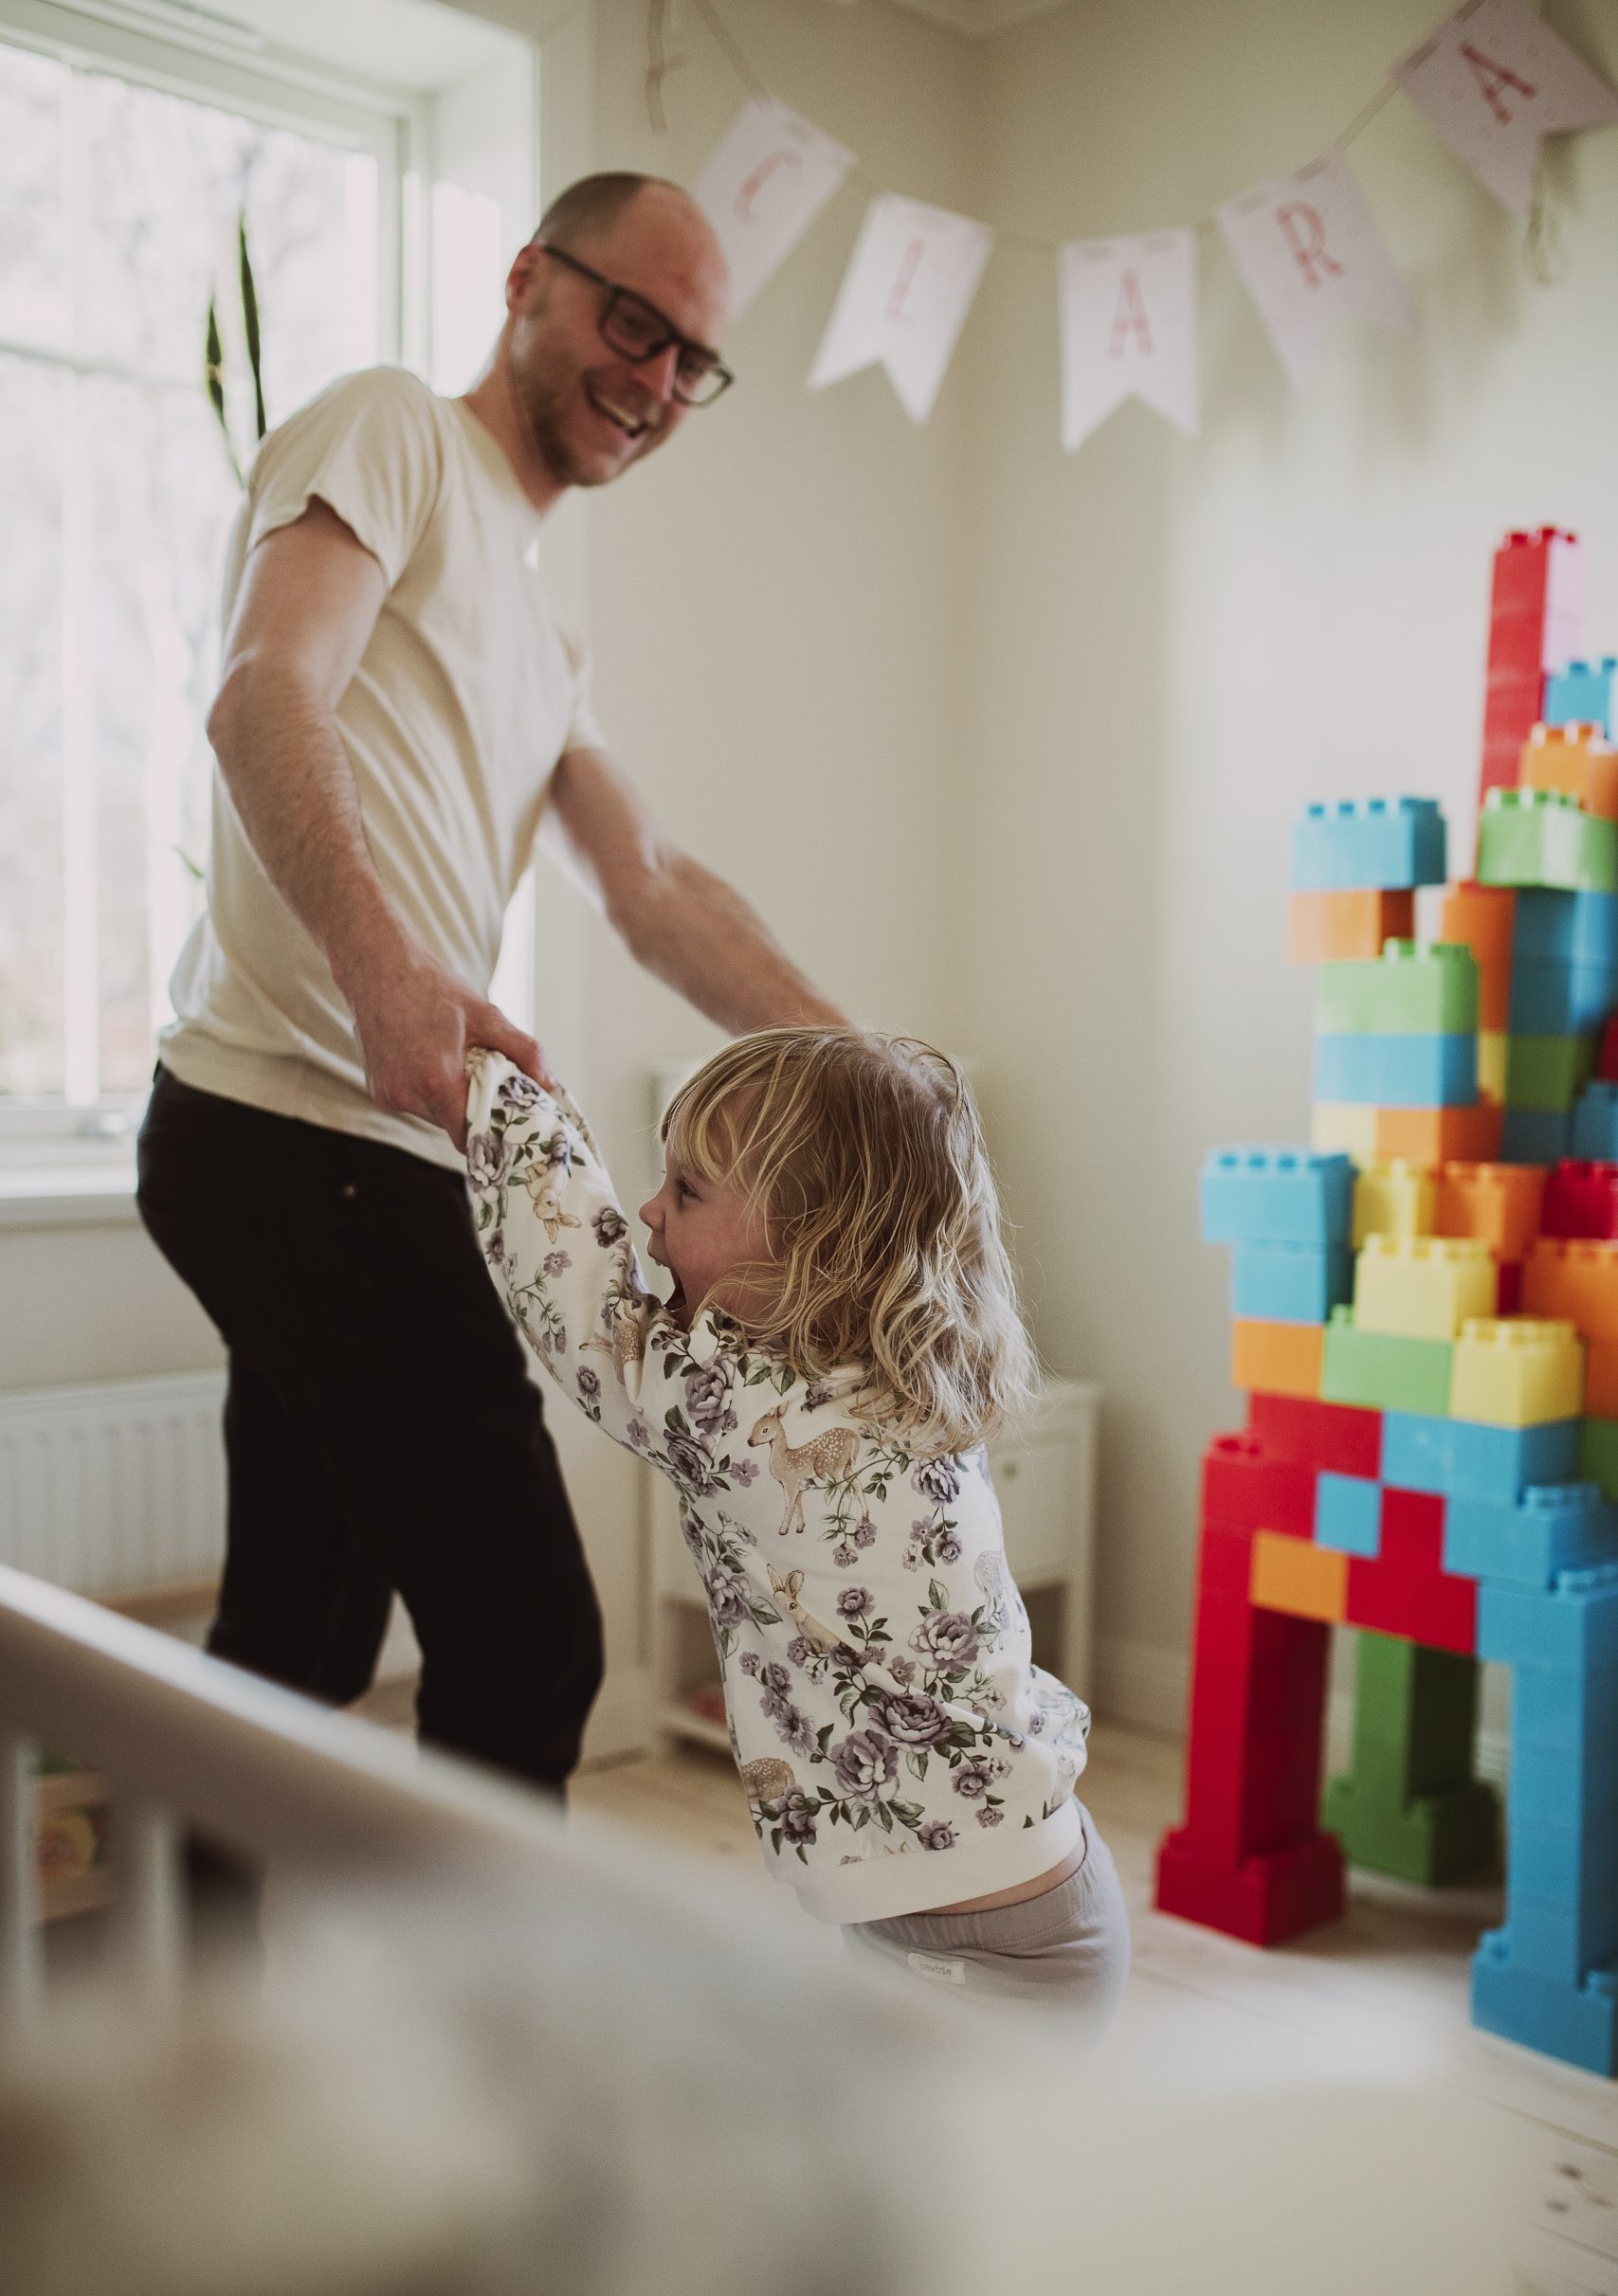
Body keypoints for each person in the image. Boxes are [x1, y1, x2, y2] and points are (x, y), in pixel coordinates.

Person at [136, 173, 840, 1794]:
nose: (655, 381)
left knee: (293, 1651)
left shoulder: (545, 630)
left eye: (691, 363)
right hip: (298, 1139)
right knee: (531, 1650)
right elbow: (263, 695)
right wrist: (384, 970)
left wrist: (856, 1058)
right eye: (631, 324)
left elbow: (649, 887)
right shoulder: (393, 430)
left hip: (358, 1159)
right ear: (530, 277)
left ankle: (214, 2016)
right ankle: (467, 2045)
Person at [464, 1030, 1130, 2021]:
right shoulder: (906, 1372)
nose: (649, 1212)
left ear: (816, 1244)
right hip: (1025, 1896)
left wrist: (497, 1094)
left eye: (685, 1192)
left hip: (973, 1954)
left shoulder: (746, 1413)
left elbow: (586, 1307)